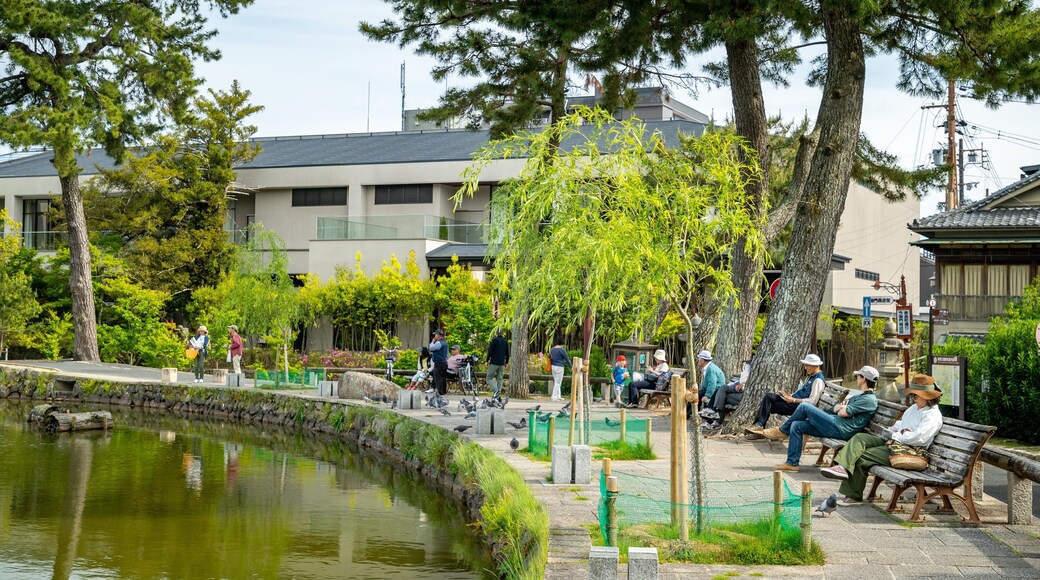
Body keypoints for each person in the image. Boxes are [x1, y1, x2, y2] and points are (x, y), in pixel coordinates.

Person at [820, 374, 944, 505]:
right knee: (859, 438)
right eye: (913, 395)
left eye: (916, 395)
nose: (913, 398)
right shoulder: (914, 408)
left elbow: (919, 438)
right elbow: (901, 425)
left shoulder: (932, 415)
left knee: (862, 457)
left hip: (909, 451)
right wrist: (892, 431)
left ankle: (854, 496)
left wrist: (897, 435)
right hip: (895, 442)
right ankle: (841, 467)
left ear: (927, 397)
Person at [767, 365, 880, 472]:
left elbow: (843, 412)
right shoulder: (860, 396)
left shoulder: (869, 399)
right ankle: (792, 463)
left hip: (841, 429)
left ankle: (782, 431)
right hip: (835, 423)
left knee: (804, 407)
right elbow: (835, 408)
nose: (856, 378)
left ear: (863, 378)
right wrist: (841, 407)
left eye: (858, 376)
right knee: (796, 425)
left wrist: (842, 408)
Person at [745, 354, 827, 437]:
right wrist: (787, 396)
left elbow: (812, 401)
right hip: (793, 403)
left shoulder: (818, 380)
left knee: (768, 404)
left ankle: (759, 426)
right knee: (769, 398)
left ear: (815, 366)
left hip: (799, 408)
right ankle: (759, 425)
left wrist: (793, 400)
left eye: (807, 365)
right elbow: (802, 393)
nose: (805, 368)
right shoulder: (812, 377)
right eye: (805, 365)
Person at [700, 359, 751, 429]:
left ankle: (714, 415)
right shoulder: (747, 373)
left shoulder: (750, 373)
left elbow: (743, 385)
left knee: (722, 390)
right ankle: (714, 418)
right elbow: (740, 383)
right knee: (720, 393)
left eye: (746, 365)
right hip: (738, 392)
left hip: (743, 396)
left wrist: (738, 385)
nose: (745, 366)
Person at [486, 330, 510, 398]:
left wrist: (487, 360)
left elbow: (490, 351)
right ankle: (497, 396)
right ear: (503, 333)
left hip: (494, 362)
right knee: (500, 379)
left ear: (496, 333)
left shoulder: (494, 340)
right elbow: (507, 353)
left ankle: (495, 390)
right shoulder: (505, 341)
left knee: (488, 378)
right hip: (502, 363)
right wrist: (507, 362)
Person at [429, 329, 448, 395]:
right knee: (443, 377)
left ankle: (440, 392)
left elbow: (431, 348)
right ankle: (443, 391)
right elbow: (447, 354)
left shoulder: (438, 342)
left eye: (435, 335)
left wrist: (432, 342)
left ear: (438, 335)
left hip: (438, 362)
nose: (434, 336)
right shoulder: (445, 343)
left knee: (438, 377)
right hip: (444, 362)